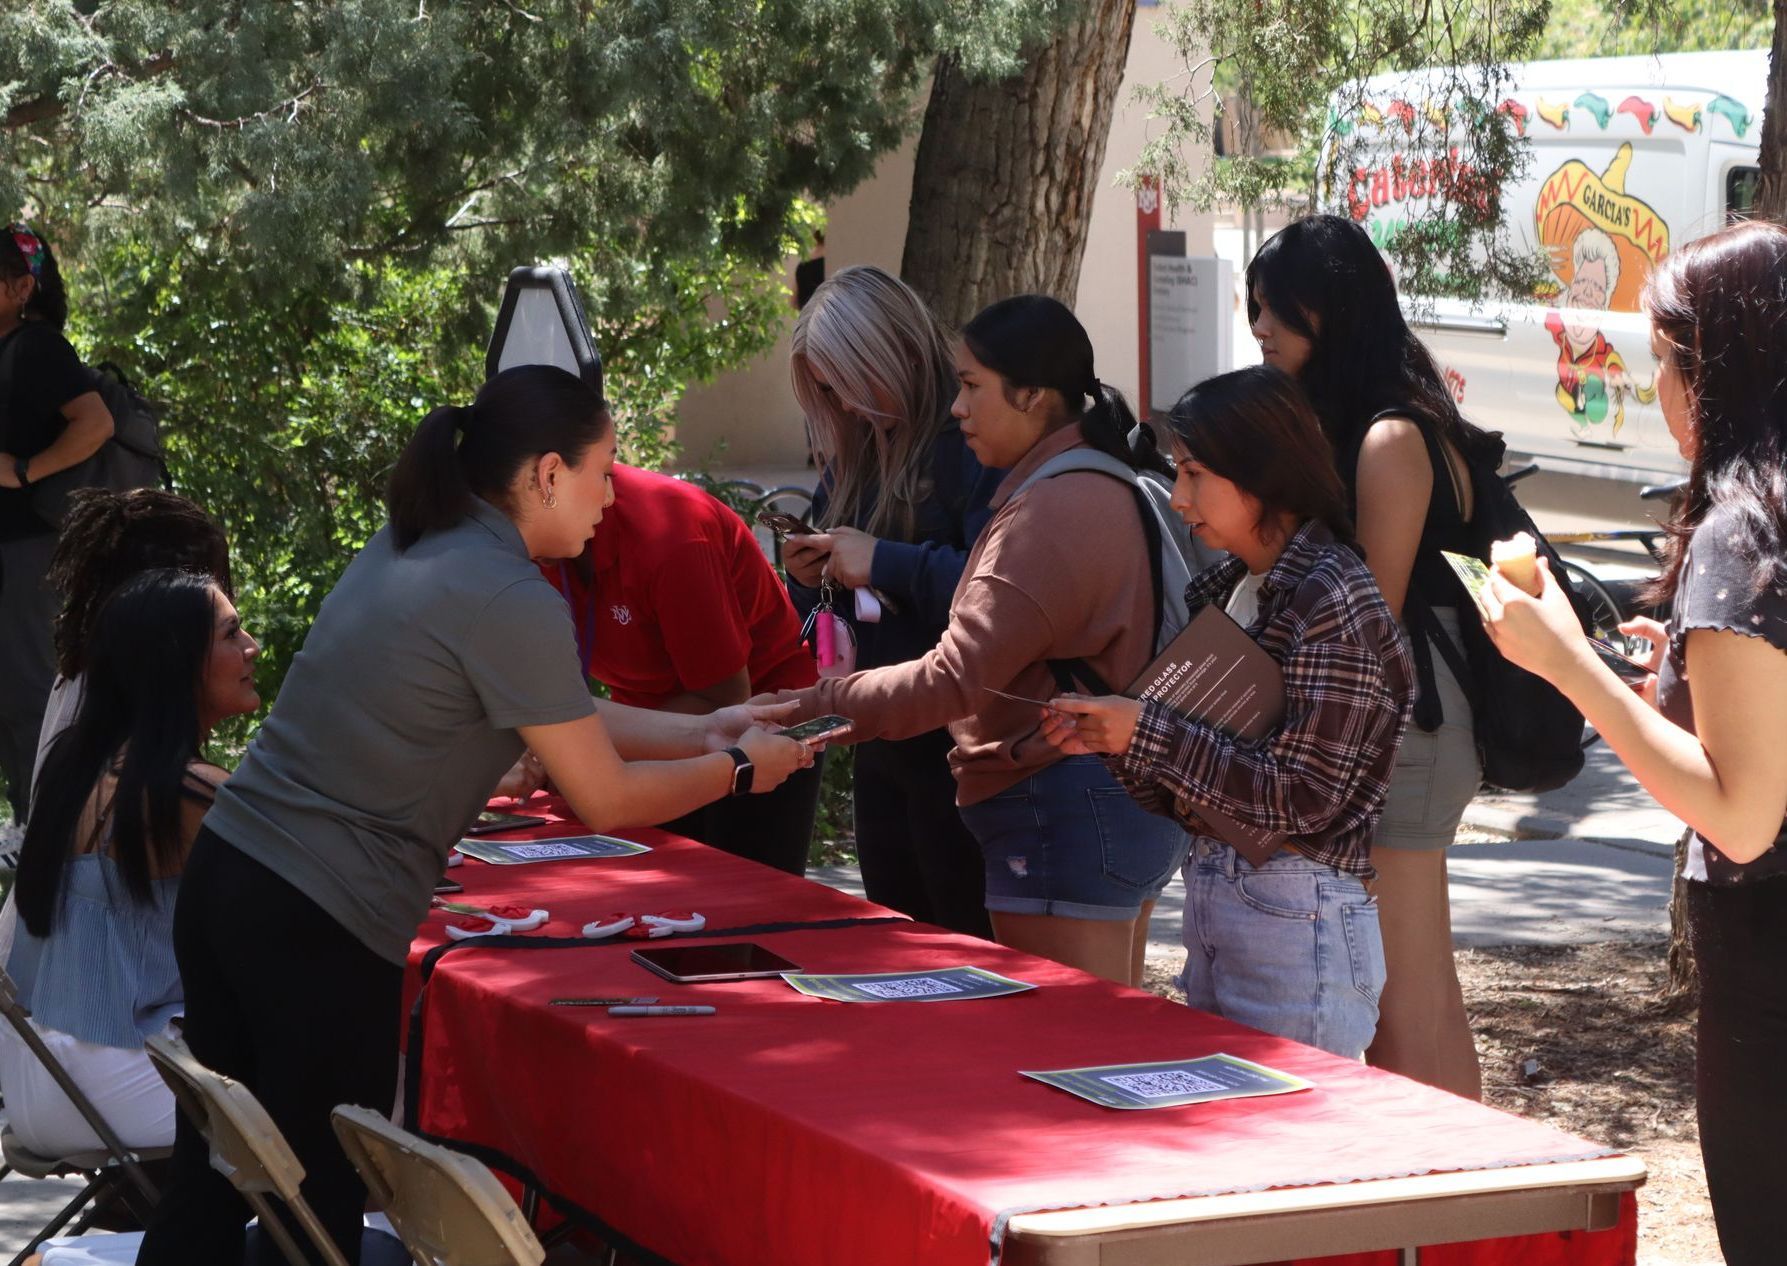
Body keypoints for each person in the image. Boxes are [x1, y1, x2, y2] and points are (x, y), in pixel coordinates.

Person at [137, 366, 811, 1266]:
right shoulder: (508, 593)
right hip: (315, 915)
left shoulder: (422, 539)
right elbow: (601, 793)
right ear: (545, 475)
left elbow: (555, 711)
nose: (614, 497)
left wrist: (711, 722)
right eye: (603, 472)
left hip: (236, 877)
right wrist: (734, 769)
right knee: (318, 1211)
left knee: (213, 1186)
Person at [1481, 220, 1787, 1265]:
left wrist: (1566, 664)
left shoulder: (1741, 532)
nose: (1655, 390)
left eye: (1662, 361)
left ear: (1722, 369)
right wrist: (1697, 666)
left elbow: (1741, 814)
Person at [780, 295, 1189, 985]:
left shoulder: (1053, 504)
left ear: (1032, 396)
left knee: (1057, 1043)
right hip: (1063, 793)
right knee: (1070, 1039)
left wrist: (804, 711)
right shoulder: (1060, 484)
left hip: (1057, 797)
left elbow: (950, 678)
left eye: (969, 386)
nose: (957, 406)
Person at [1036, 366, 1414, 1058]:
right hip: (1225, 899)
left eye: (1195, 473)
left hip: (1300, 916)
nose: (1178, 498)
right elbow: (1193, 791)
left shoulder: (1334, 600)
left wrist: (1145, 731)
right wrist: (1114, 740)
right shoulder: (1234, 587)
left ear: (1261, 473)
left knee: (1297, 1147)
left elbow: (1301, 799)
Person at [1245, 214, 1489, 1097]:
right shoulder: (1383, 421)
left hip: (1408, 728)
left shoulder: (1392, 436)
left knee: (1408, 993)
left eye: (1274, 310)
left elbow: (1365, 622)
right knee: (1401, 985)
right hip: (1397, 724)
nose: (1261, 330)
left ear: (1330, 308)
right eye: (1255, 310)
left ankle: (1458, 1210)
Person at [0, 569, 259, 1158]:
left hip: (35, 1079)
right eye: (230, 634)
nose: (251, 648)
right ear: (176, 661)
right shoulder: (185, 791)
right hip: (109, 1088)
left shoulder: (77, 763)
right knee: (369, 1097)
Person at [786, 265, 1003, 937]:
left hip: (962, 751)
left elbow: (1001, 590)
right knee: (898, 946)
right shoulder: (856, 456)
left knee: (968, 957)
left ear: (897, 352)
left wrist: (882, 560)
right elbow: (828, 613)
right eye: (827, 391)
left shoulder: (970, 446)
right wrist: (807, 576)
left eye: (849, 383)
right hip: (881, 743)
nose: (845, 405)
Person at [544, 462, 822, 874]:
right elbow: (543, 706)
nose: (611, 490)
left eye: (611, 469)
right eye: (604, 470)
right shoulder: (518, 541)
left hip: (762, 719)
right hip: (663, 721)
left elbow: (725, 700)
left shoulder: (672, 532)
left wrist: (574, 750)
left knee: (742, 901)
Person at [0, 225, 114, 824]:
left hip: (27, 554)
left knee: (30, 696)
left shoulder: (38, 347)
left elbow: (95, 423)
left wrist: (23, 470)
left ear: (22, 288)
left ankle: (49, 834)